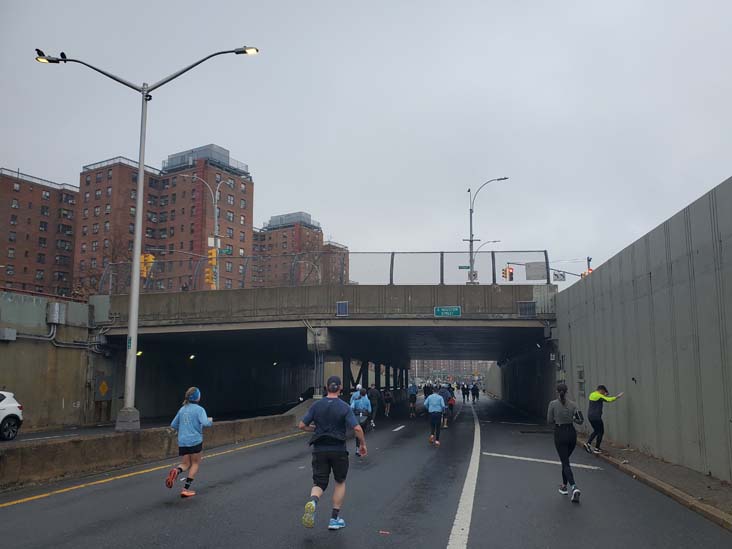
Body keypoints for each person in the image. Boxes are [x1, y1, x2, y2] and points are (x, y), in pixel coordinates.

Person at [299, 376, 366, 531]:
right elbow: (357, 428)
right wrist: (362, 444)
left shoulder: (317, 405)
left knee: (319, 483)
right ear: (340, 388)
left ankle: (313, 502)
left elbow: (302, 425)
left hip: (319, 450)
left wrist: (314, 429)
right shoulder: (344, 407)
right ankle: (334, 519)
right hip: (338, 450)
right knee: (339, 482)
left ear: (326, 387)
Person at [165, 387, 213, 498]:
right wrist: (211, 420)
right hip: (195, 440)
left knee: (185, 464)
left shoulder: (182, 409)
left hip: (183, 441)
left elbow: (173, 424)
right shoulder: (199, 409)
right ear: (198, 397)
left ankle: (176, 471)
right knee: (195, 464)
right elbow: (205, 423)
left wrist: (183, 428)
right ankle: (185, 489)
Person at [547, 383, 581, 503]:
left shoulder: (553, 404)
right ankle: (564, 486)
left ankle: (574, 487)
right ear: (566, 392)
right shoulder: (573, 404)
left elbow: (549, 420)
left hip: (560, 433)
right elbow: (580, 420)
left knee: (565, 462)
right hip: (571, 433)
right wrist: (571, 418)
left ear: (557, 391)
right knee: (565, 460)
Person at [584, 385, 624, 454]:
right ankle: (596, 448)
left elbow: (602, 397)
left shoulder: (592, 394)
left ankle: (588, 444)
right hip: (596, 417)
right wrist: (618, 396)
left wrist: (604, 395)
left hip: (590, 416)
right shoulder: (599, 396)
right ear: (601, 390)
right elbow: (608, 400)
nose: (603, 393)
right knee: (601, 432)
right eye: (603, 391)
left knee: (596, 431)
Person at [350, 388, 371, 457]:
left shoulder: (356, 400)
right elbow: (370, 410)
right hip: (364, 418)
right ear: (365, 394)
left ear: (360, 393)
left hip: (357, 417)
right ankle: (362, 446)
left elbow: (351, 408)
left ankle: (357, 449)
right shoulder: (367, 401)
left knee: (357, 433)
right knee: (362, 433)